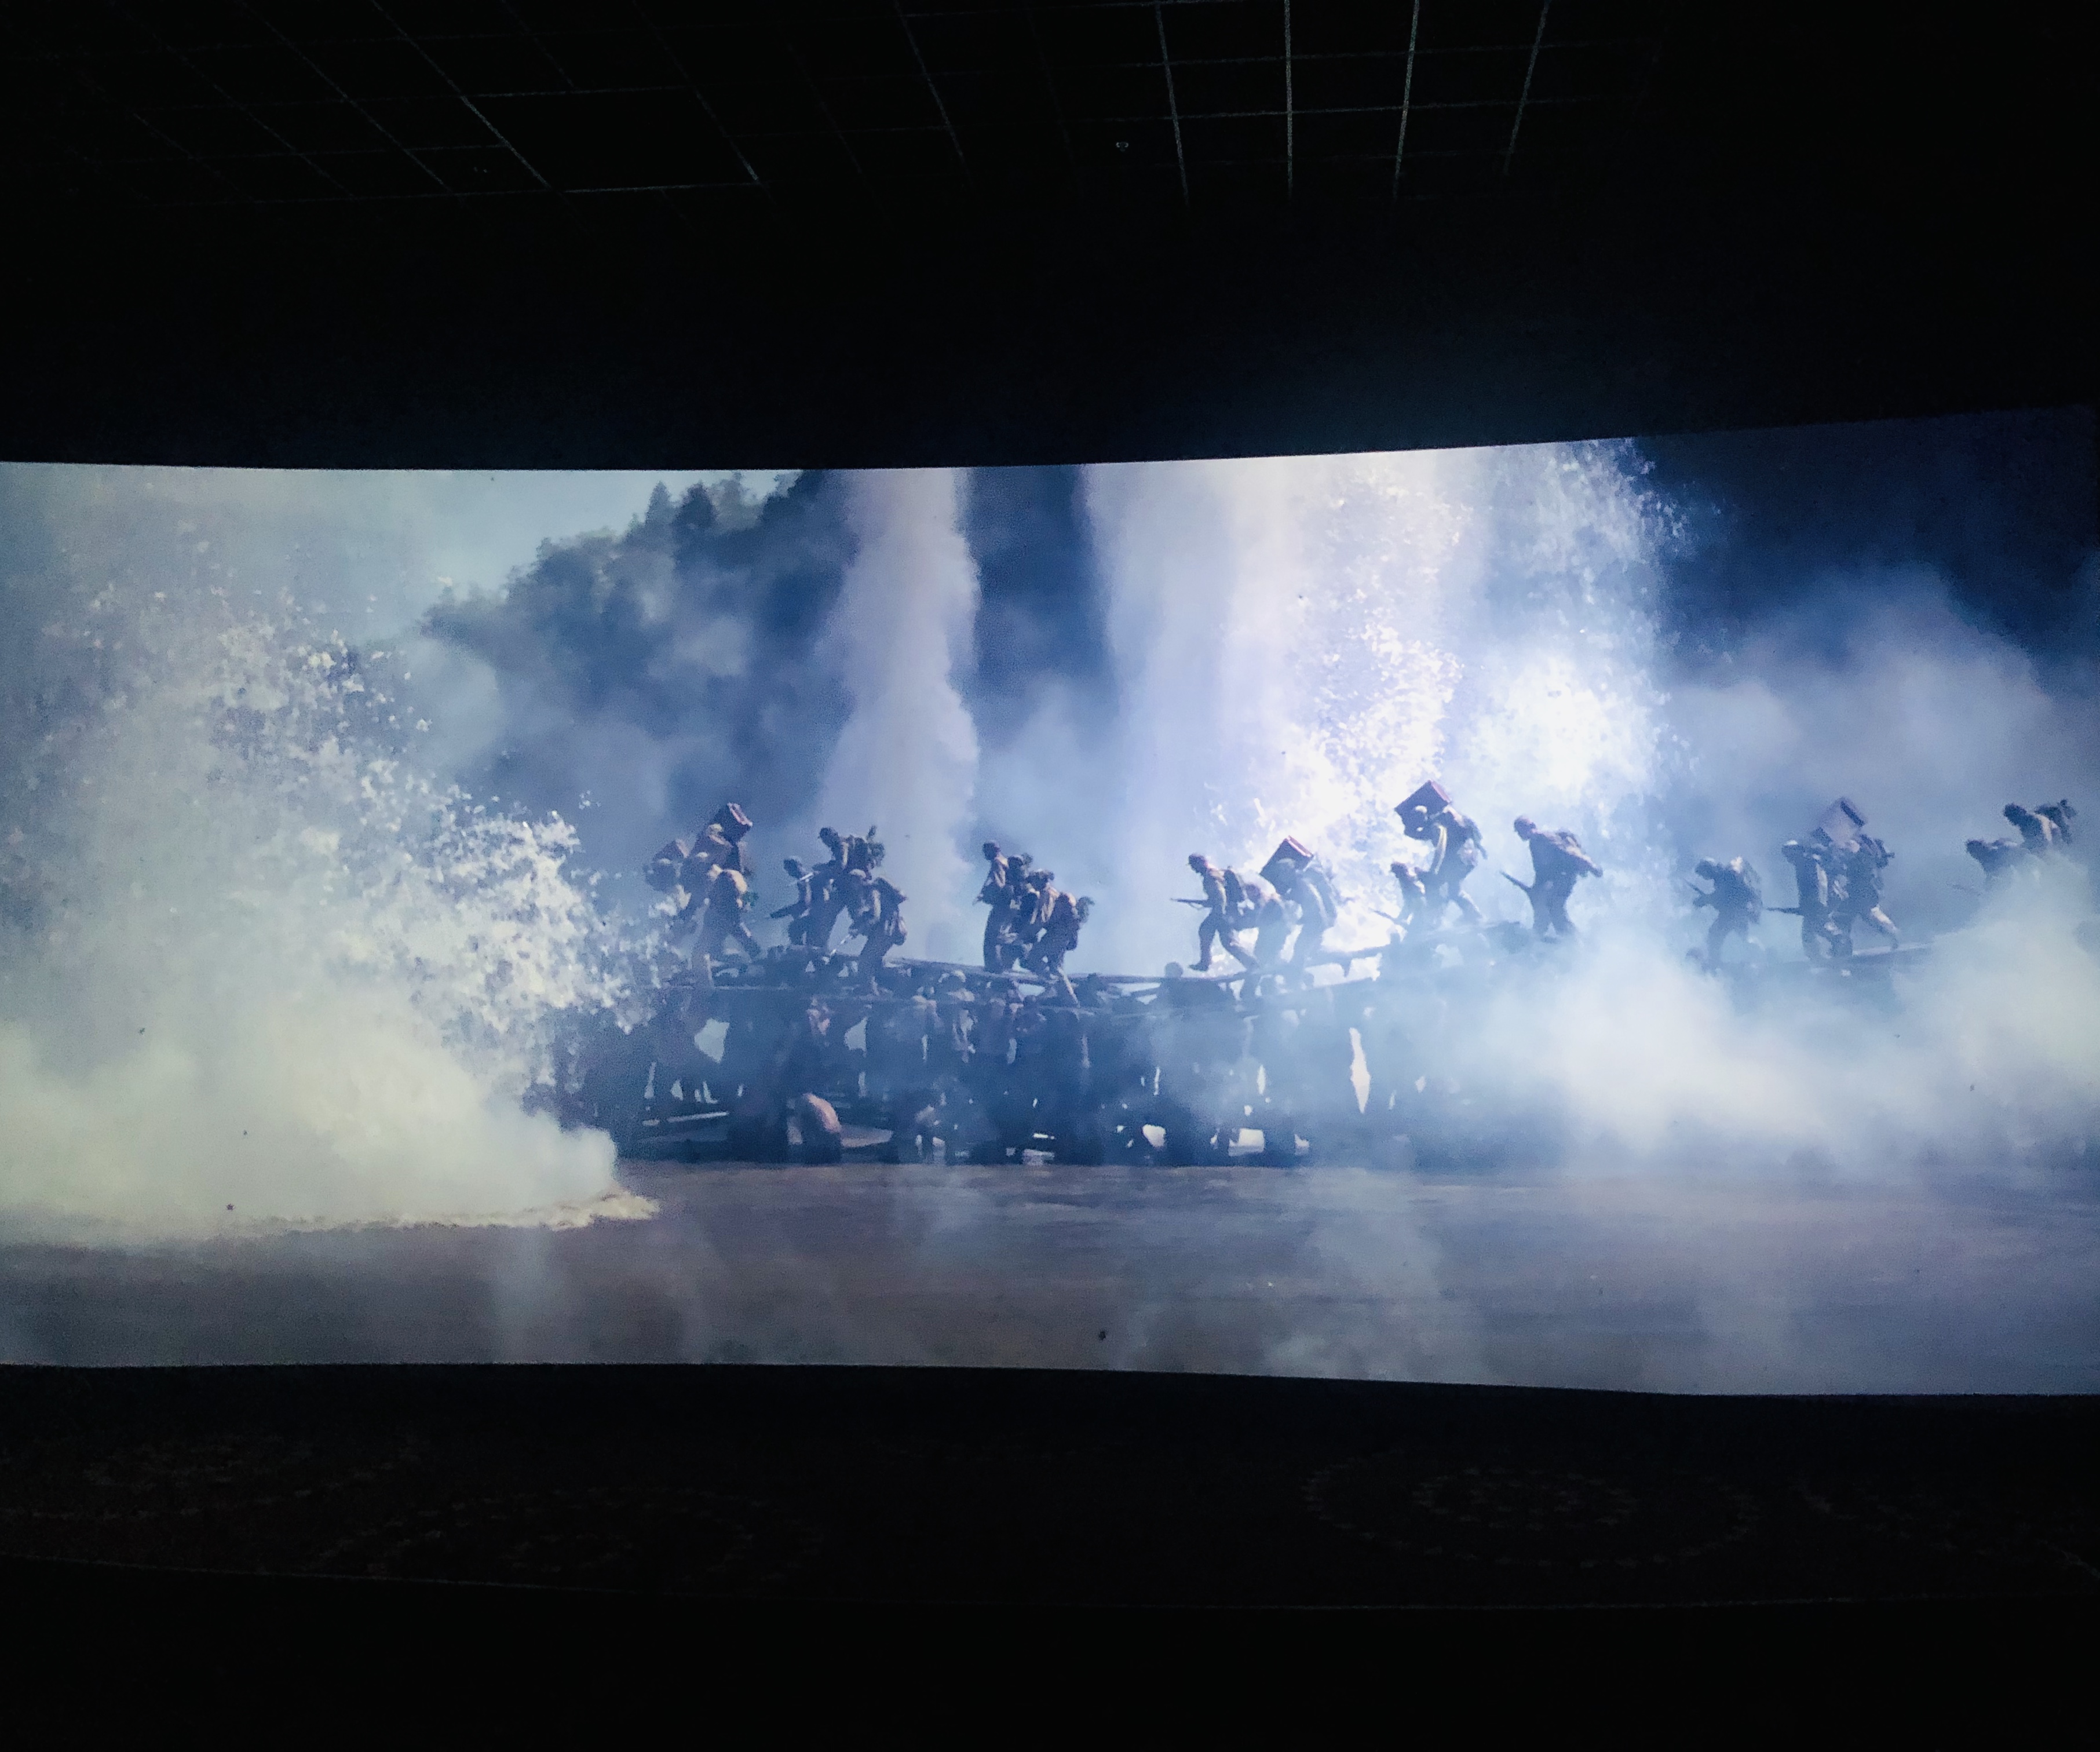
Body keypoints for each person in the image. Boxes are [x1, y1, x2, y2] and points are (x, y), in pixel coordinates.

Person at [1397, 787, 1485, 928]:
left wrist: (1434, 872)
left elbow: (1440, 849)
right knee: (1454, 890)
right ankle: (1474, 915)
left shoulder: (1437, 826)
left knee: (1439, 888)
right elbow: (1423, 836)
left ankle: (1435, 922)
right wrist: (1409, 832)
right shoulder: (1436, 824)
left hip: (1460, 860)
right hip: (1467, 858)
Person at [1511, 816, 1602, 940]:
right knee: (1547, 906)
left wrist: (1591, 865)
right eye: (1518, 831)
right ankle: (1543, 934)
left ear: (1531, 826)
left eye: (1521, 830)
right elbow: (1541, 871)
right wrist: (1536, 889)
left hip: (1564, 878)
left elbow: (1568, 852)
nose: (1520, 834)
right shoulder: (1534, 843)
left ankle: (1574, 941)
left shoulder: (1542, 837)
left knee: (1555, 910)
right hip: (1557, 879)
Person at [1187, 853, 1258, 972]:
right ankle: (1252, 964)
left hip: (1223, 913)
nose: (1194, 869)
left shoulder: (1211, 876)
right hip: (1228, 912)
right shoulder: (1217, 873)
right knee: (1229, 943)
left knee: (1205, 930)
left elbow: (1221, 897)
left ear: (1201, 863)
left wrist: (1218, 914)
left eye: (1194, 865)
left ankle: (1205, 962)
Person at [1690, 856, 1762, 969]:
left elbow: (1723, 895)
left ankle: (1714, 962)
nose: (1704, 877)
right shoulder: (1724, 877)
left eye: (1704, 874)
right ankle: (1755, 960)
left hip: (1734, 915)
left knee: (1715, 935)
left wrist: (1705, 900)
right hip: (1737, 914)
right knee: (1741, 937)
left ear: (1709, 870)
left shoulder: (1729, 875)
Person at [1831, 833, 1898, 950]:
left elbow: (1851, 866)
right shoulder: (1862, 847)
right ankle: (1843, 948)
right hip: (1859, 890)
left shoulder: (1854, 846)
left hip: (1862, 891)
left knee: (1867, 916)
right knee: (1847, 918)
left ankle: (1893, 934)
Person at [1780, 837, 1843, 960]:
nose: (1788, 858)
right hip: (1815, 903)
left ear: (1797, 851)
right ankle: (1818, 955)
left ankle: (1839, 944)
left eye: (1789, 854)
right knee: (1811, 929)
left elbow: (1821, 883)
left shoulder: (1810, 862)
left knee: (1818, 927)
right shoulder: (1803, 864)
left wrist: (1820, 904)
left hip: (1820, 902)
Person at [770, 857, 818, 947]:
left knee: (795, 928)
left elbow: (805, 904)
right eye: (788, 870)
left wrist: (786, 911)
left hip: (819, 914)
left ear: (799, 865)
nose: (790, 873)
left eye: (792, 868)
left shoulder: (810, 878)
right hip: (812, 913)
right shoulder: (801, 882)